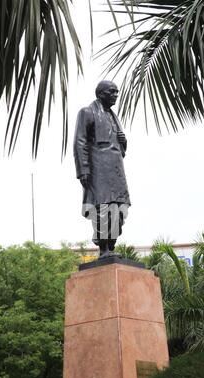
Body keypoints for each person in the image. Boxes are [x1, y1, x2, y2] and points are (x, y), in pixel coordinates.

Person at [74, 80, 131, 258]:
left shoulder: (114, 117)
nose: (115, 95)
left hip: (116, 170)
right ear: (100, 94)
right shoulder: (88, 112)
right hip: (98, 169)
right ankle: (104, 249)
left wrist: (124, 141)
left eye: (116, 92)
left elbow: (120, 149)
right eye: (111, 92)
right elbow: (79, 141)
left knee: (119, 208)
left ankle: (111, 246)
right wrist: (83, 169)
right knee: (103, 207)